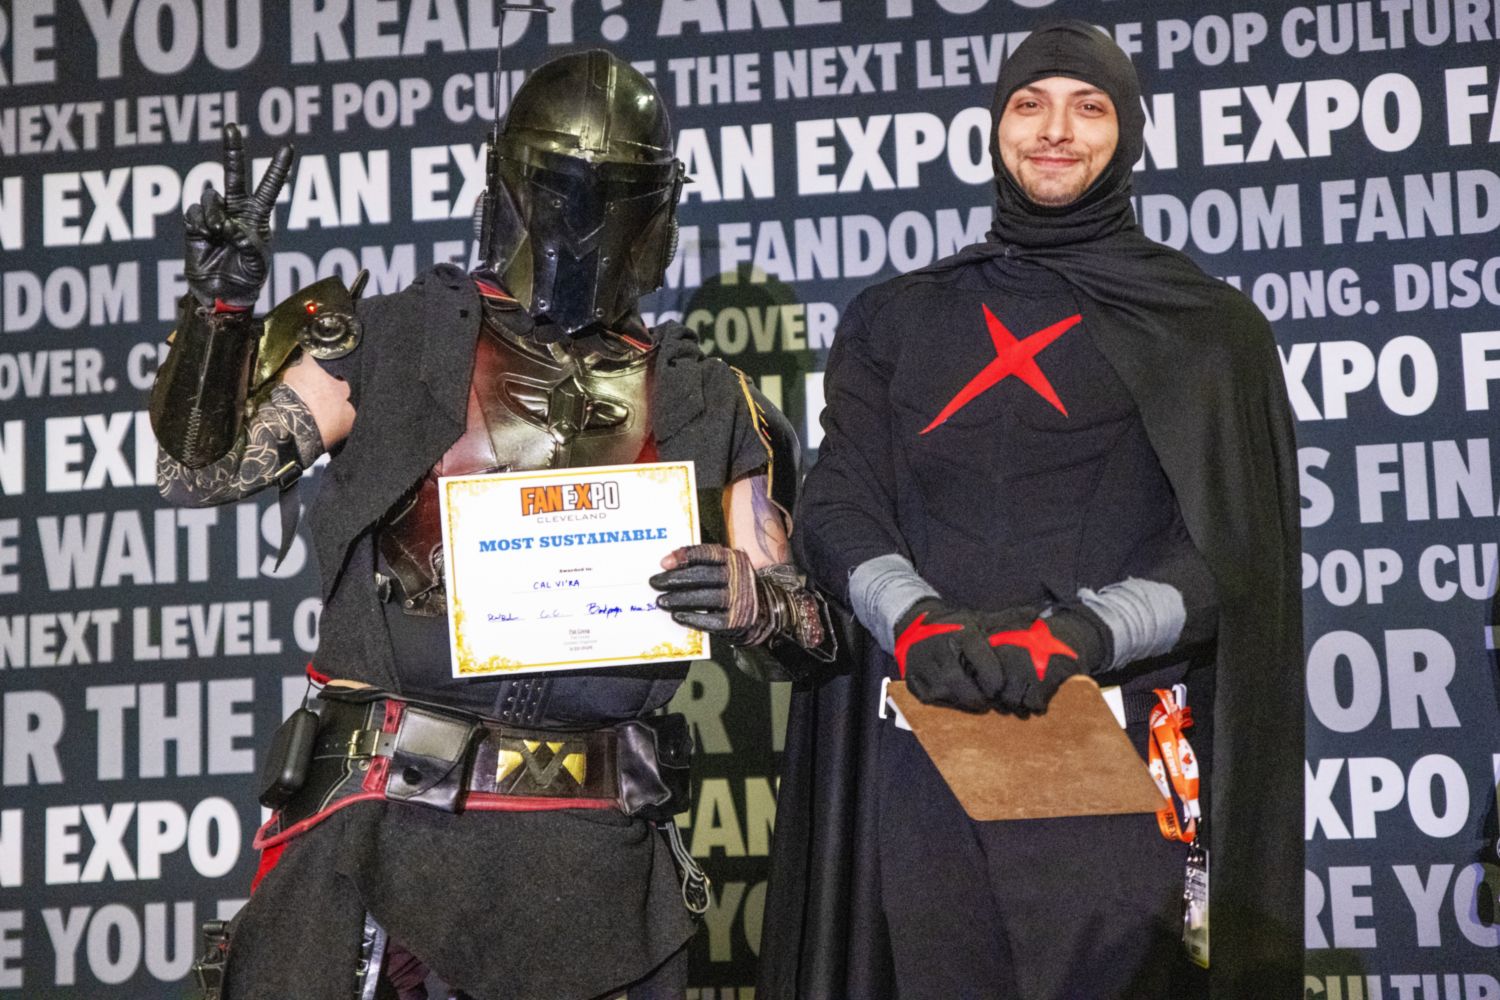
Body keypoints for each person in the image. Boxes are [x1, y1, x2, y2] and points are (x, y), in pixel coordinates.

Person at [153, 50, 834, 1000]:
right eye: (560, 188)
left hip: (597, 868)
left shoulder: (708, 400)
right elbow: (201, 473)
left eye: (616, 193)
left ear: (658, 207)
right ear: (512, 180)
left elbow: (811, 635)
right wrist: (218, 314)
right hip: (386, 839)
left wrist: (754, 600)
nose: (583, 223)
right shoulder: (392, 341)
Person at [758, 20, 1303, 1000]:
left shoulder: (1207, 330)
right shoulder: (900, 316)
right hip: (934, 749)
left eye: (1088, 107)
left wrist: (1079, 635)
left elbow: (1230, 554)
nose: (1056, 130)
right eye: (1029, 103)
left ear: (1129, 132)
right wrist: (911, 617)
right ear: (994, 125)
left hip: (1118, 744)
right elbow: (840, 502)